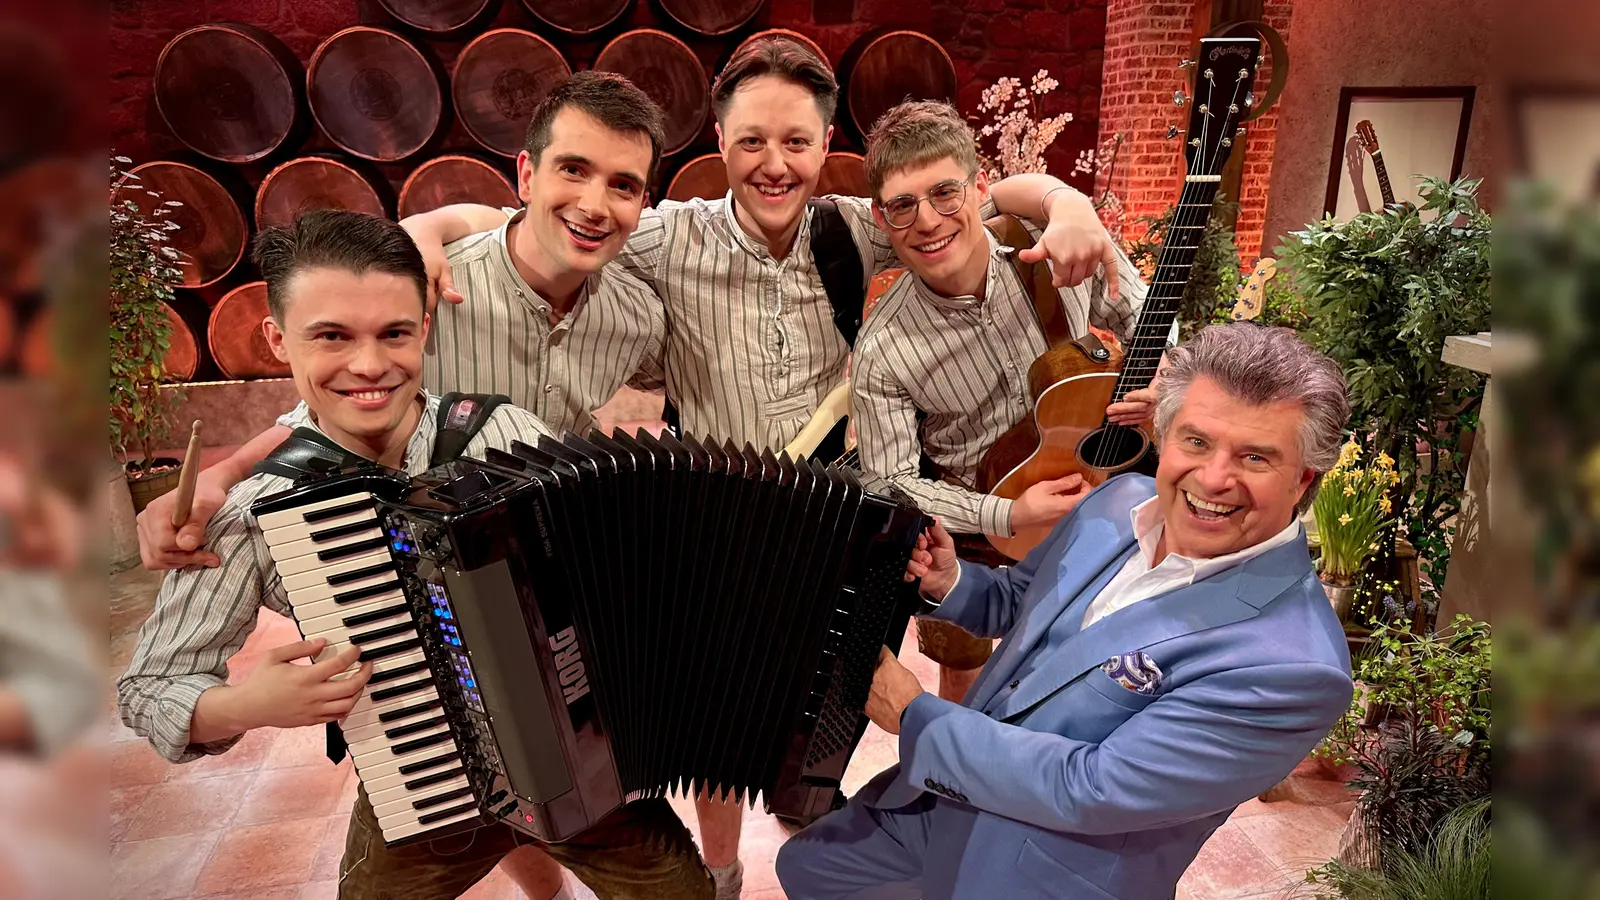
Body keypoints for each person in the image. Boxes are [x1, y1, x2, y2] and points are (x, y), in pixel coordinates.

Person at [399, 38, 1125, 897]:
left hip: (832, 514)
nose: (773, 164)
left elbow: (975, 191)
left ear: (826, 147)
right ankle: (718, 871)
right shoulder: (667, 237)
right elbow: (541, 219)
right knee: (713, 722)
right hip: (719, 519)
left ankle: (818, 808)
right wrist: (425, 228)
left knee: (829, 695)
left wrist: (1067, 202)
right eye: (750, 142)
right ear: (718, 142)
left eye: (795, 141)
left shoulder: (865, 223)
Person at [116, 210, 713, 900]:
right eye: (331, 337)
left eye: (394, 333)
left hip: (580, 767)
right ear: (278, 341)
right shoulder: (254, 512)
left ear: (424, 328)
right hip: (421, 790)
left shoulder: (504, 435)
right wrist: (248, 704)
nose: (369, 364)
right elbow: (149, 688)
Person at [776, 322, 1357, 900]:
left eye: (1255, 457)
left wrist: (912, 716)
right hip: (938, 802)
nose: (1212, 478)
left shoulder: (1294, 667)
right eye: (1196, 441)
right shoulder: (1117, 500)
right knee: (804, 867)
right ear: (1164, 431)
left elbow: (1091, 788)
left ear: (1303, 477)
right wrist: (950, 579)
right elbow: (1018, 600)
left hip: (1039, 872)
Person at [849, 100, 1155, 706]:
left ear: (979, 188)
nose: (928, 221)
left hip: (1099, 488)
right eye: (902, 206)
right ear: (883, 221)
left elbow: (1152, 326)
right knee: (964, 678)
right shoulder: (884, 347)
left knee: (1100, 661)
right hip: (975, 528)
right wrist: (1005, 516)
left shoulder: (1057, 244)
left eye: (944, 194)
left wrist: (1165, 382)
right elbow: (891, 482)